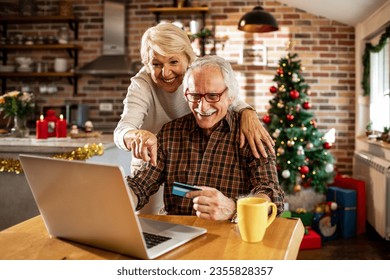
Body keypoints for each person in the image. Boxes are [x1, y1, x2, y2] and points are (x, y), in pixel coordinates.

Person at [126, 55, 284, 221]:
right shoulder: (170, 133)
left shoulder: (250, 134)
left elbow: (271, 194)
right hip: (178, 236)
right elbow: (140, 185)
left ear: (230, 96)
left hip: (231, 238)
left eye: (213, 96)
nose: (202, 107)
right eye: (195, 96)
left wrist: (233, 208)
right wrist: (122, 197)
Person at [114, 23, 274, 171]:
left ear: (189, 58)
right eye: (156, 64)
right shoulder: (142, 83)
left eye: (173, 62)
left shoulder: (198, 72)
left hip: (187, 162)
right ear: (147, 64)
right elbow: (122, 130)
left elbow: (228, 97)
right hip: (151, 162)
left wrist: (248, 112)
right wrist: (135, 135)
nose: (166, 72)